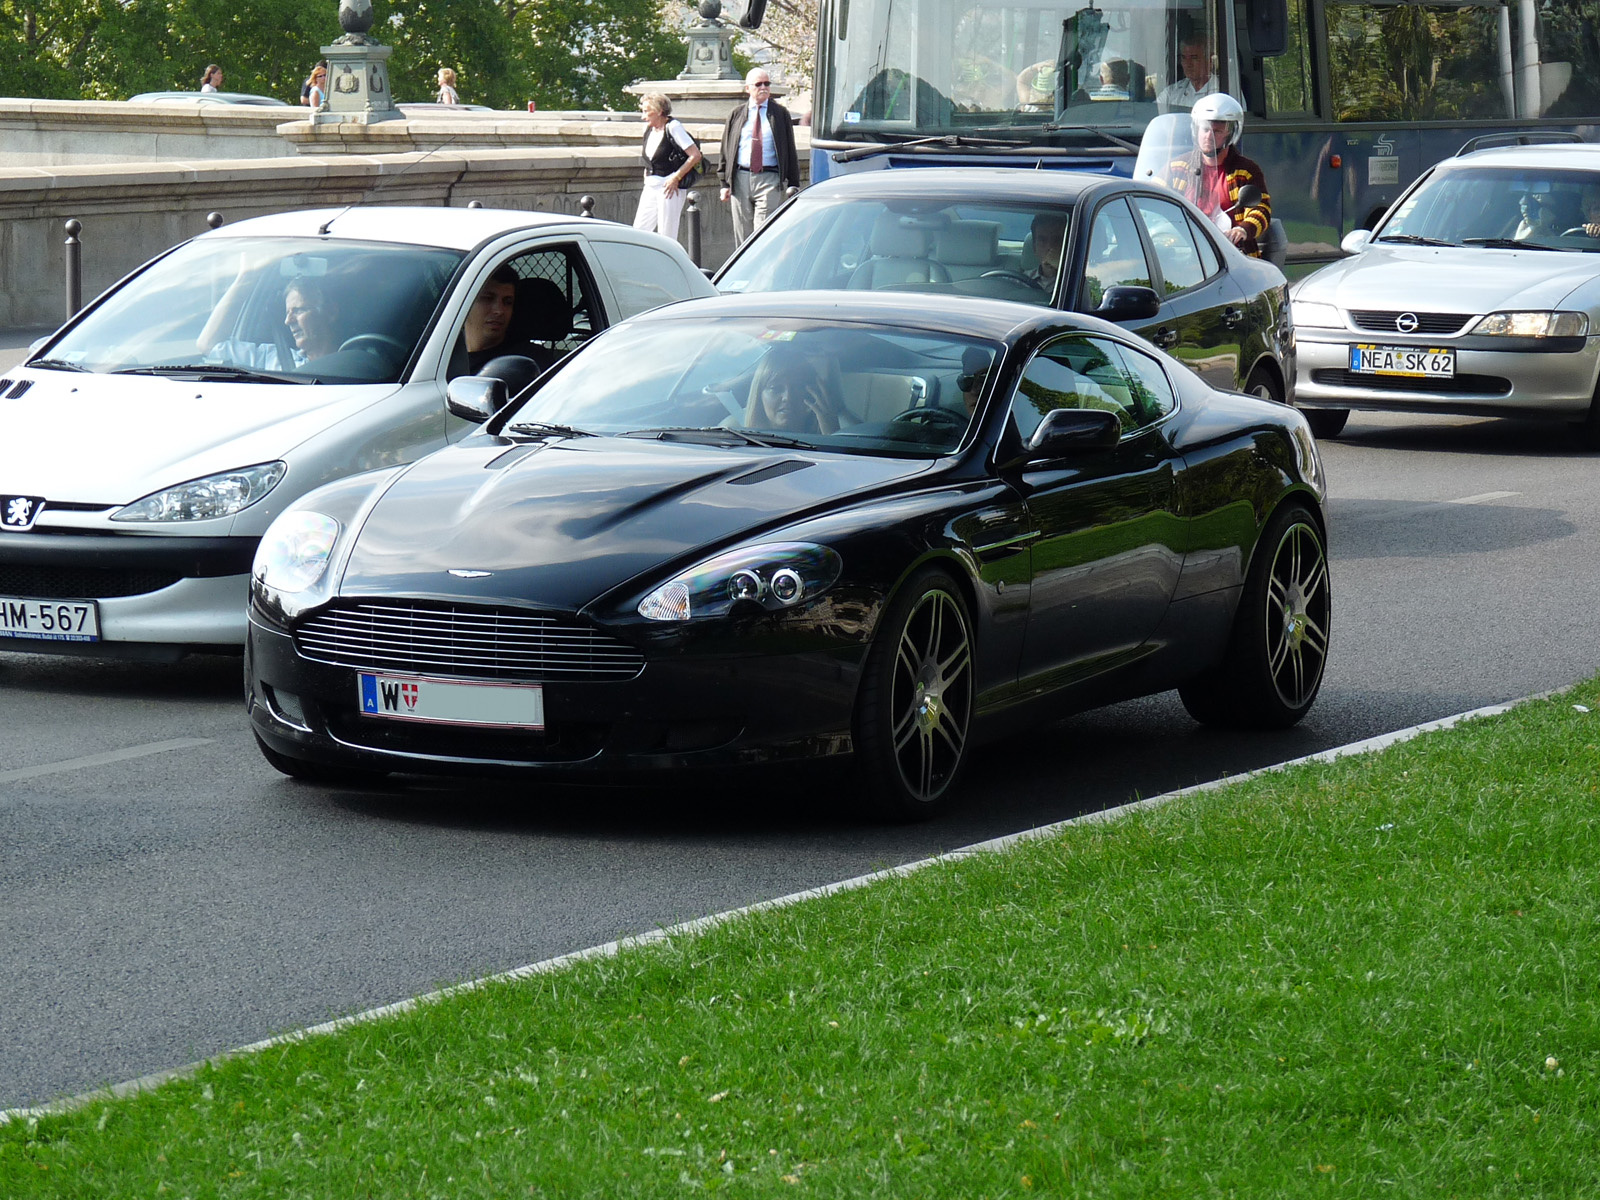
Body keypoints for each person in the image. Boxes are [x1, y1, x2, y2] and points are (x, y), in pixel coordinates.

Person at [1160, 93, 1270, 256]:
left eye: (1217, 131)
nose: (1208, 136)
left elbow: (1261, 208)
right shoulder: (1177, 167)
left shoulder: (1246, 170)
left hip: (1233, 253)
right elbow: (1154, 194)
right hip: (1184, 251)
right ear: (1196, 129)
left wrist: (1242, 230)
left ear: (1231, 133)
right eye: (1204, 129)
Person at [719, 68, 801, 245]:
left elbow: (789, 149)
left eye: (767, 83)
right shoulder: (736, 114)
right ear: (748, 88)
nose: (764, 87)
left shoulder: (779, 114)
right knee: (742, 233)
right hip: (740, 178)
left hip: (769, 178)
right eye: (758, 84)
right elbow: (726, 148)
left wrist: (794, 183)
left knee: (763, 233)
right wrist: (724, 183)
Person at [197, 273, 343, 370]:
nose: (288, 321)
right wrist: (245, 278)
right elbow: (208, 344)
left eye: (299, 310)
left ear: (331, 312)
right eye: (287, 313)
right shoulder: (271, 359)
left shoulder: (360, 365)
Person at [634, 93, 703, 241]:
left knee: (667, 233)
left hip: (669, 186)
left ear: (659, 111)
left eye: (646, 111)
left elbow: (695, 155)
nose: (643, 116)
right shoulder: (649, 130)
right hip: (651, 184)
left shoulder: (673, 127)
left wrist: (676, 178)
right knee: (639, 229)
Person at [461, 266, 545, 374]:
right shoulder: (442, 354)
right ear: (465, 303)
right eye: (487, 298)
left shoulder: (528, 360)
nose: (499, 311)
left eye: (508, 302)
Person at [743, 349, 840, 434]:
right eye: (776, 388)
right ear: (759, 396)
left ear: (812, 395)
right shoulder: (738, 446)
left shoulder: (829, 446)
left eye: (798, 388)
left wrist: (831, 434)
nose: (787, 397)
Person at [1156, 33, 1218, 113]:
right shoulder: (1173, 92)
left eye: (1194, 58)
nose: (1188, 64)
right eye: (1184, 58)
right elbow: (1152, 113)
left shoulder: (1222, 90)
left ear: (1209, 61)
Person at [1029, 211, 1069, 289]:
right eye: (1042, 240)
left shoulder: (1077, 281)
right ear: (1034, 247)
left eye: (1056, 240)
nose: (1049, 246)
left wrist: (1061, 269)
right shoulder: (1020, 280)